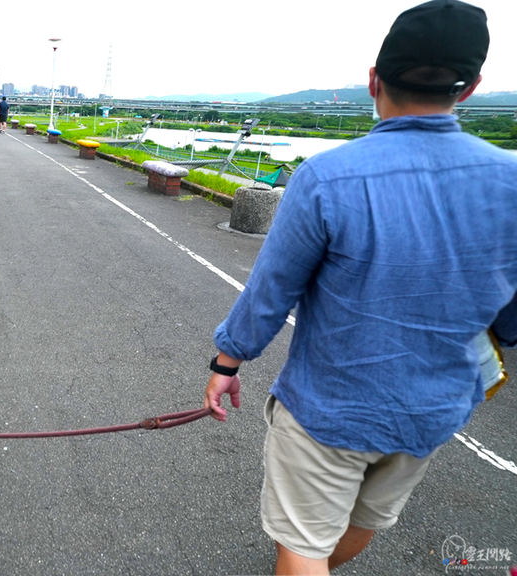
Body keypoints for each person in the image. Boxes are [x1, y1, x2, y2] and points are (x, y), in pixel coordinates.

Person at [203, 1, 517, 575]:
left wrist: (228, 362)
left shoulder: (328, 177)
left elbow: (272, 289)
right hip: (433, 409)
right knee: (361, 525)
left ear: (374, 79)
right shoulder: (511, 181)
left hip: (332, 407)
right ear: (470, 88)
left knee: (302, 548)